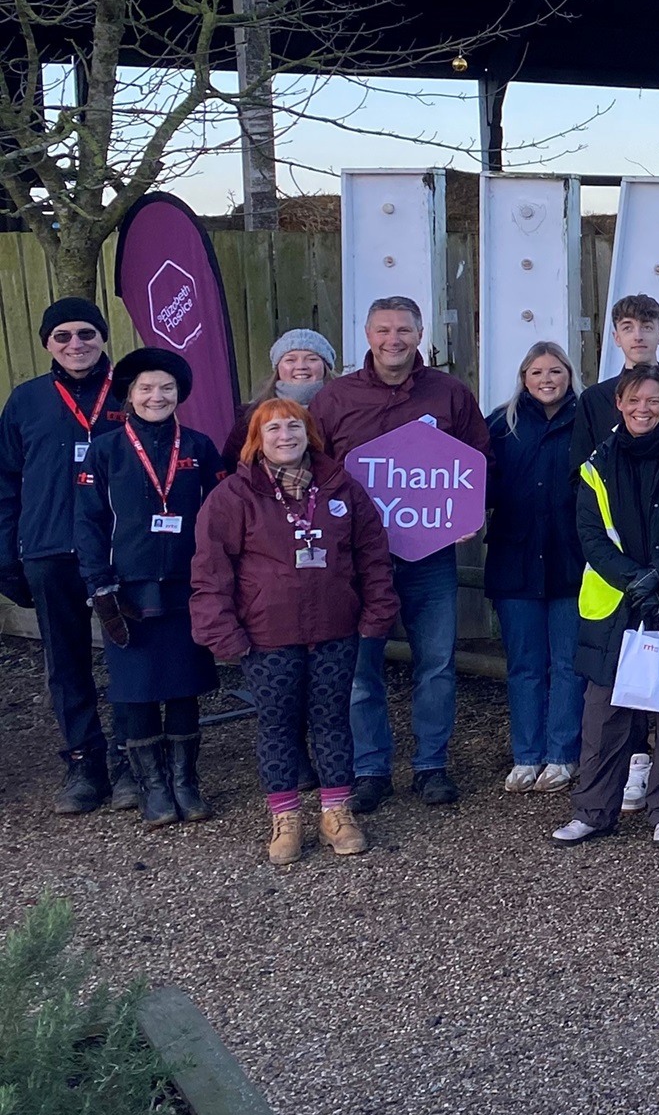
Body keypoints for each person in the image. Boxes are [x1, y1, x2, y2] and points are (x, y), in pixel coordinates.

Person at [190, 398, 397, 867]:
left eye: (293, 427)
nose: (285, 436)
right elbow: (210, 569)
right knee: (278, 724)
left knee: (332, 719)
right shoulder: (233, 497)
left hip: (335, 628)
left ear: (309, 434)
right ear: (257, 440)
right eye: (273, 429)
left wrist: (376, 613)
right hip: (267, 634)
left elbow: (372, 556)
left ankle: (336, 813)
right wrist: (224, 632)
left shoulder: (342, 488)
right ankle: (285, 818)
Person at [309, 294, 488, 814]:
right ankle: (370, 769)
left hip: (428, 555)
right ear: (367, 335)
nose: (394, 339)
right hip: (356, 561)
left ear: (420, 334)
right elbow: (313, 469)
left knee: (437, 663)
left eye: (404, 330)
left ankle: (431, 765)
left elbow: (480, 460)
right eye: (384, 330)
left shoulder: (449, 394)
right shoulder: (334, 399)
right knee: (359, 668)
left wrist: (468, 511)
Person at [553, 365, 659, 849]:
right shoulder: (597, 462)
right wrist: (634, 580)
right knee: (603, 717)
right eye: (633, 400)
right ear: (619, 404)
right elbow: (590, 535)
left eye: (652, 400)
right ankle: (592, 812)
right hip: (617, 603)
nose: (642, 409)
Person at [74, 349, 223, 829]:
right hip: (127, 590)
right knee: (136, 689)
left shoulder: (199, 447)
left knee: (183, 684)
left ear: (179, 394)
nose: (156, 396)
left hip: (186, 586)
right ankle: (152, 787)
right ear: (130, 394)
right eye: (146, 388)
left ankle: (185, 783)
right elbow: (88, 522)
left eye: (166, 388)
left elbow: (221, 516)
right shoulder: (105, 451)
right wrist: (100, 584)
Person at [0, 296, 126, 812]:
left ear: (102, 337)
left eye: (87, 333)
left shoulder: (131, 391)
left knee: (129, 656)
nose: (76, 344)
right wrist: (7, 556)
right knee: (67, 662)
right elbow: (6, 483)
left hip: (118, 550)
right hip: (49, 549)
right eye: (63, 336)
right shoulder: (26, 400)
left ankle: (130, 759)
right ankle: (84, 763)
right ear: (48, 344)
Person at [483, 341, 587, 796]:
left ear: (569, 375)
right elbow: (476, 481)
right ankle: (526, 755)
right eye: (538, 372)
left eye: (555, 371)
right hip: (515, 559)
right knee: (524, 665)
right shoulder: (500, 424)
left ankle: (562, 755)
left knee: (568, 663)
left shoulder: (587, 420)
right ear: (524, 378)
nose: (547, 379)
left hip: (571, 557)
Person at [575, 292, 659, 453]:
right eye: (628, 328)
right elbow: (580, 463)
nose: (638, 336)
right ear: (616, 338)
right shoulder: (593, 400)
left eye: (647, 327)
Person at [219, 329, 338, 470]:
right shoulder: (250, 416)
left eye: (312, 359)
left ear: (326, 366)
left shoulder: (344, 410)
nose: (301, 366)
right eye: (290, 360)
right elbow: (232, 467)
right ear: (278, 367)